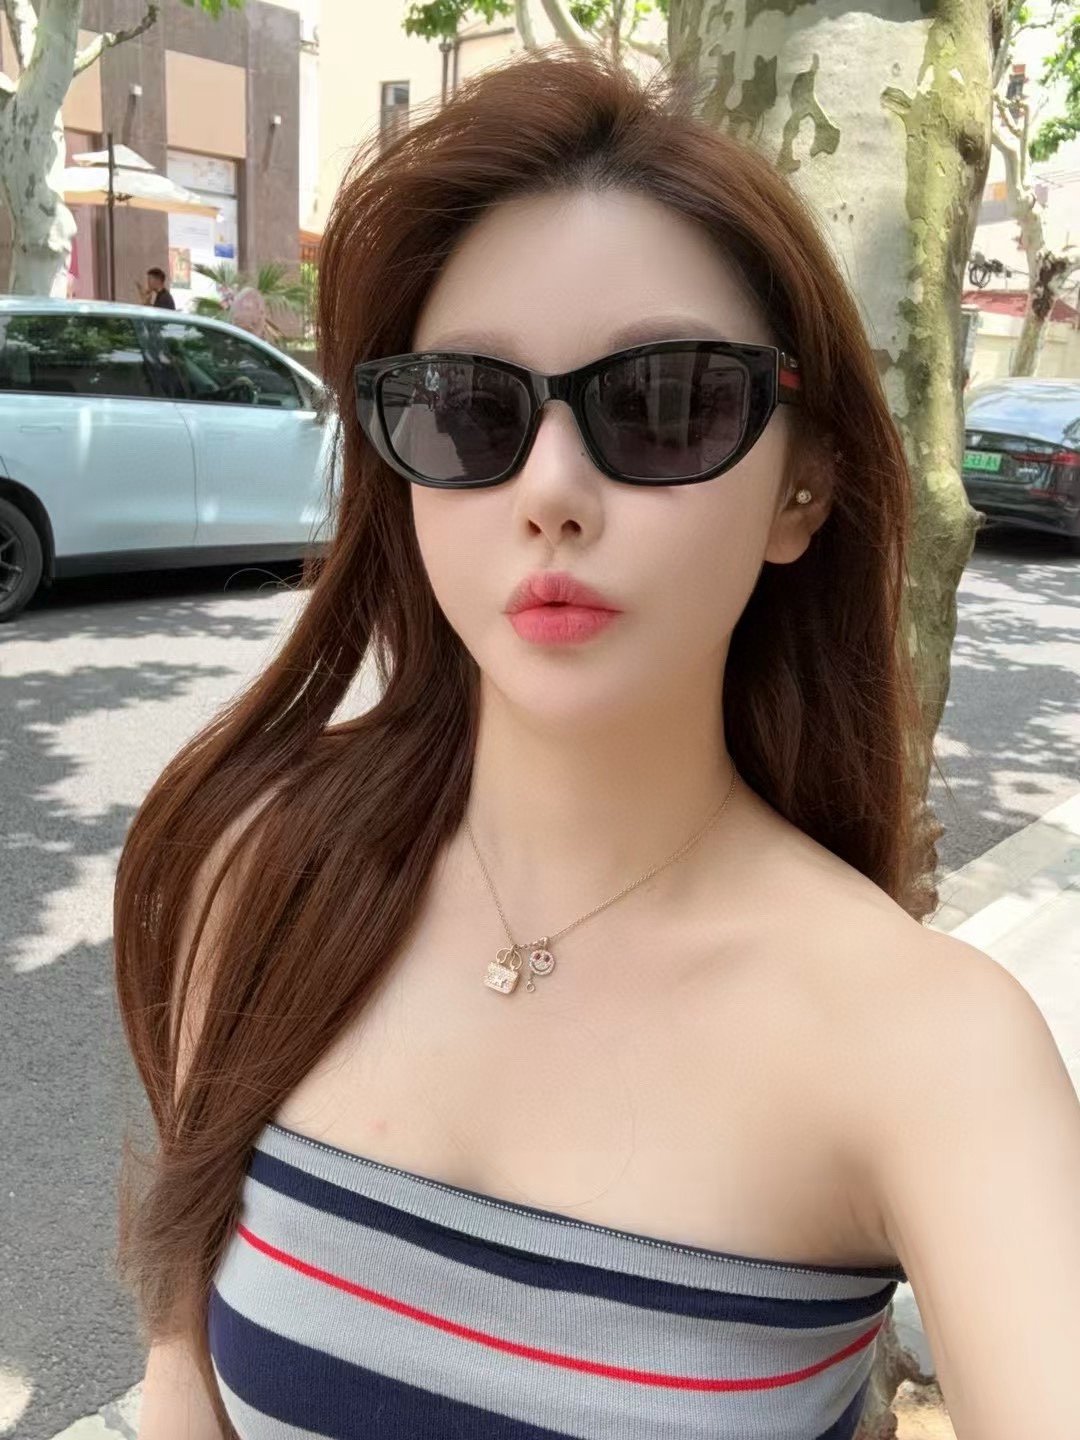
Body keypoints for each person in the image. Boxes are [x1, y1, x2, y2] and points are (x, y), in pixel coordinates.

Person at [115, 47, 1080, 1440]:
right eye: (469, 409)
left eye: (664, 402)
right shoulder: (262, 871)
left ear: (802, 486)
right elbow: (180, 1371)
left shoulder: (932, 1050)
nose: (552, 490)